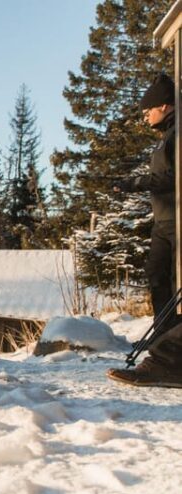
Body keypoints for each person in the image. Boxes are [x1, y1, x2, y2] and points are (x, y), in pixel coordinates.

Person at [108, 73, 182, 388]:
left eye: (147, 110)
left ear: (164, 105)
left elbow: (171, 178)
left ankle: (166, 360)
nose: (144, 116)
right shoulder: (168, 136)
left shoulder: (178, 135)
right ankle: (164, 353)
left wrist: (132, 183)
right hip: (163, 223)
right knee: (157, 280)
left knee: (173, 288)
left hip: (177, 222)